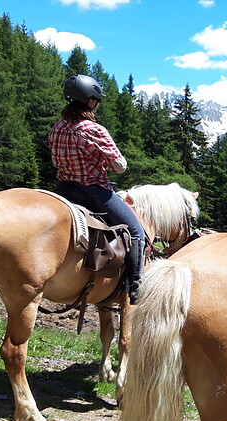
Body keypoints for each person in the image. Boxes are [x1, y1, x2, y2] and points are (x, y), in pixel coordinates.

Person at [49, 74, 145, 305]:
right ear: (91, 102)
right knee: (136, 232)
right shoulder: (94, 130)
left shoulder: (57, 127)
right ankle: (135, 287)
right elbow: (120, 166)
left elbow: (55, 163)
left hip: (63, 190)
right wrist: (105, 163)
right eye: (97, 100)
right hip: (95, 191)